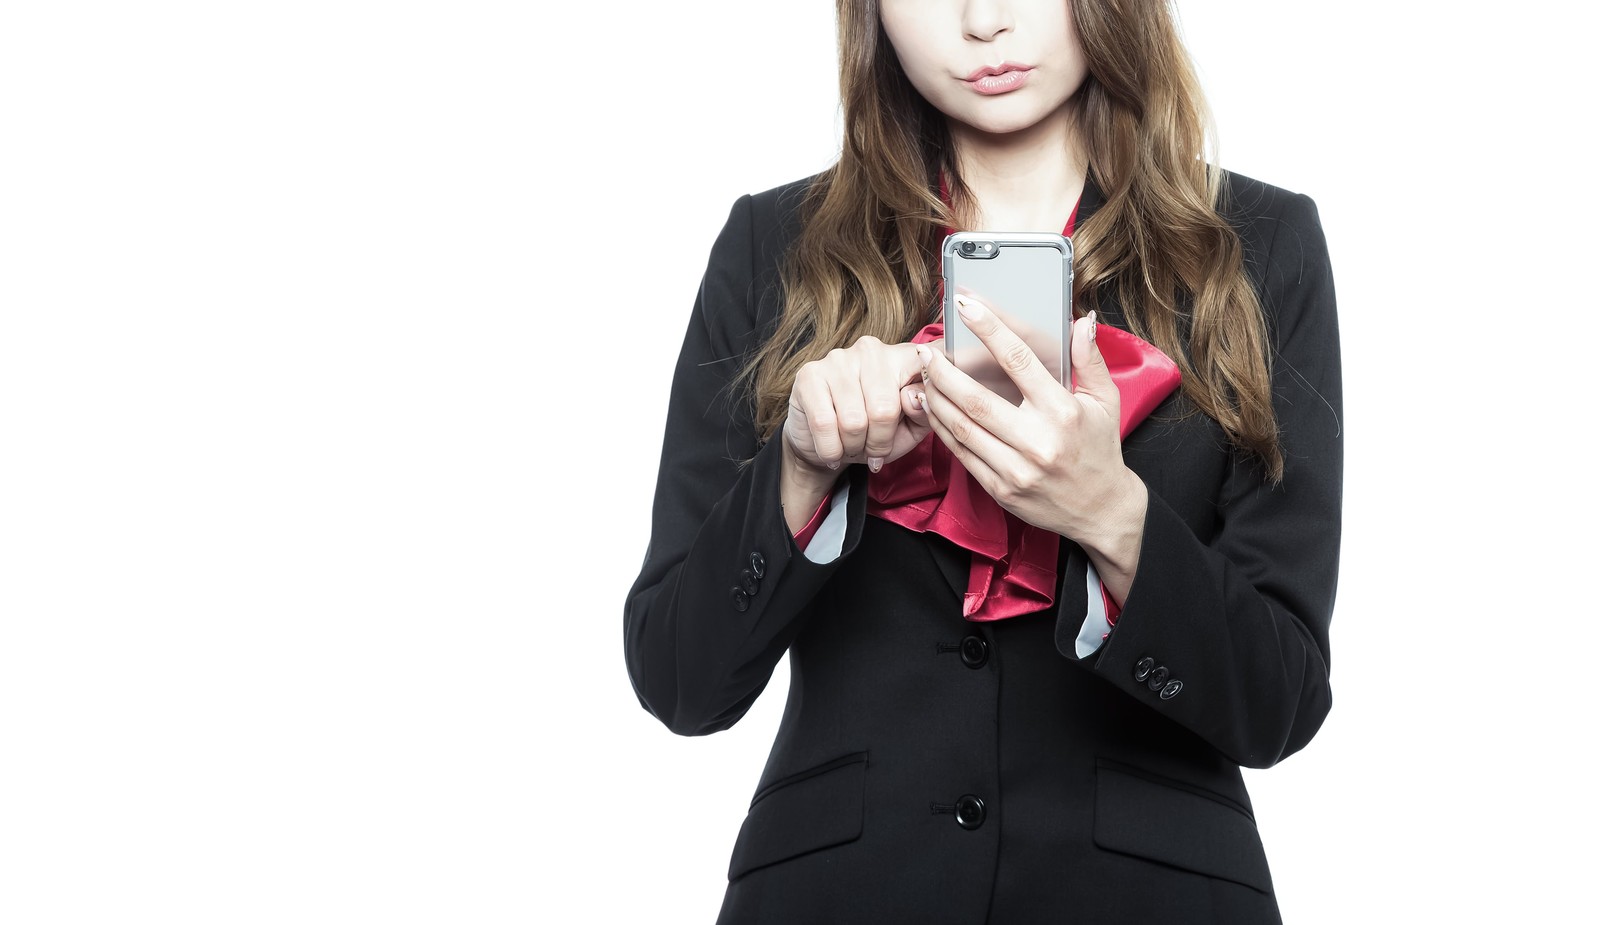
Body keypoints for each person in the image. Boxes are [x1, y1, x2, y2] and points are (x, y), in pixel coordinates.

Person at [623, 0, 1341, 921]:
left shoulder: (1257, 244)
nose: (984, 20)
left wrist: (1112, 517)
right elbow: (679, 681)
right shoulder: (774, 245)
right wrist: (800, 471)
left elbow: (1281, 701)